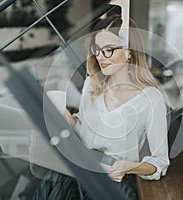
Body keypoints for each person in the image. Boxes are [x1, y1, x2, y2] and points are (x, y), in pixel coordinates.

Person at [33, 14, 170, 200]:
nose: (101, 57)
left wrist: (129, 166)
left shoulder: (151, 98)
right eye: (97, 49)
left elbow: (160, 161)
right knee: (54, 181)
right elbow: (82, 130)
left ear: (129, 51)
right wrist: (62, 113)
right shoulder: (92, 83)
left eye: (109, 50)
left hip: (115, 178)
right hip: (82, 167)